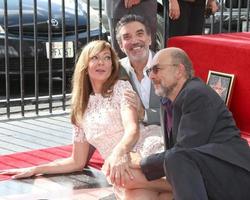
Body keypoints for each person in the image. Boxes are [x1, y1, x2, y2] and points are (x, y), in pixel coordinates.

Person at [0, 40, 172, 200]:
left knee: (121, 177)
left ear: (112, 65)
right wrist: (37, 169)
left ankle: (179, 184)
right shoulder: (80, 109)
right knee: (141, 192)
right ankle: (179, 188)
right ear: (85, 65)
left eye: (106, 58)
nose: (101, 63)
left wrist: (119, 153)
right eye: (95, 58)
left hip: (141, 151)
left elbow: (132, 129)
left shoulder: (121, 88)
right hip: (125, 176)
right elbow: (77, 161)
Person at [129, 47, 250, 200]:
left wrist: (142, 162)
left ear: (179, 70)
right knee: (134, 184)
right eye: (149, 72)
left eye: (156, 69)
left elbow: (184, 150)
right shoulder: (166, 101)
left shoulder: (197, 94)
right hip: (201, 175)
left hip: (233, 177)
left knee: (173, 160)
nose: (151, 76)